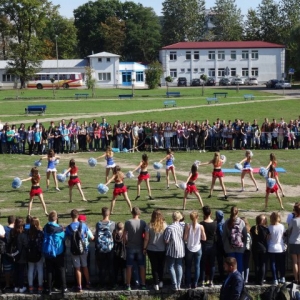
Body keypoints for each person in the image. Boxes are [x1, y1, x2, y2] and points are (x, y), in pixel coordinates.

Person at [65, 209, 91, 292]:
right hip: (83, 248)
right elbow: (86, 235)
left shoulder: (68, 227)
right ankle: (88, 283)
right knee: (85, 266)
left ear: (71, 216)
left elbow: (67, 238)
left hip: (74, 249)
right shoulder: (83, 225)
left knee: (77, 268)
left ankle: (79, 286)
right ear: (78, 216)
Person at [43, 210, 68, 296]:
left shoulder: (45, 227)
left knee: (49, 270)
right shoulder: (60, 229)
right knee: (61, 270)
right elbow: (64, 237)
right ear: (56, 218)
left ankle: (49, 288)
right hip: (58, 252)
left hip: (48, 252)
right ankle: (63, 287)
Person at [143, 209, 167, 291]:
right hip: (162, 248)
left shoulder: (149, 225)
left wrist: (144, 248)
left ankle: (156, 283)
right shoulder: (164, 225)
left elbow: (146, 238)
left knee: (154, 267)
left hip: (151, 249)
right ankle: (161, 282)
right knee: (161, 266)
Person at [124, 207, 147, 291]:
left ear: (132, 213)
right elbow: (145, 235)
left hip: (130, 246)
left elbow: (124, 235)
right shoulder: (143, 223)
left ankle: (128, 285)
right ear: (139, 213)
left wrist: (126, 242)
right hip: (140, 246)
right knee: (142, 266)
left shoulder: (128, 222)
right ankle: (143, 284)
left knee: (129, 266)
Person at [184, 211, 206, 289]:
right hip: (198, 248)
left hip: (189, 248)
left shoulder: (188, 226)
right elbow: (204, 238)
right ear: (197, 217)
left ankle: (189, 283)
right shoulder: (201, 226)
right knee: (197, 266)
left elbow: (185, 238)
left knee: (188, 267)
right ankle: (195, 283)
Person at [94, 207, 115, 290]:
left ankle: (101, 284)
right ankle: (112, 284)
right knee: (111, 266)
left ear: (102, 214)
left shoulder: (98, 224)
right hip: (110, 247)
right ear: (109, 213)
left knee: (102, 266)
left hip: (100, 248)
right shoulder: (113, 224)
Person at [164, 211, 185, 291]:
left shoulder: (170, 228)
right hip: (181, 249)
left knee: (171, 266)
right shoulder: (182, 227)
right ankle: (179, 284)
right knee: (179, 266)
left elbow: (166, 240)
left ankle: (174, 284)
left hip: (172, 249)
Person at [222, 206, 247, 274]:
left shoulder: (227, 222)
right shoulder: (241, 222)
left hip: (229, 247)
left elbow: (224, 235)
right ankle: (240, 280)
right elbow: (245, 235)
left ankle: (232, 280)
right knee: (239, 264)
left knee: (231, 265)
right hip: (240, 247)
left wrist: (224, 245)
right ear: (237, 212)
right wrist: (244, 245)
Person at [7, 217, 28, 293]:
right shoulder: (23, 233)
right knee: (21, 271)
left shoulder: (12, 232)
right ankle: (21, 286)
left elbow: (9, 241)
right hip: (22, 255)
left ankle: (16, 286)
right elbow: (26, 244)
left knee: (16, 271)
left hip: (14, 255)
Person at [200, 206, 217, 287]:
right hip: (212, 245)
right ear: (210, 213)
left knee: (203, 263)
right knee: (212, 264)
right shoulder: (215, 223)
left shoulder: (202, 224)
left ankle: (203, 281)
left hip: (204, 245)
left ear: (203, 213)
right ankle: (211, 281)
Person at [250, 214, 269, 285]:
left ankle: (257, 279)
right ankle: (262, 280)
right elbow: (267, 239)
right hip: (263, 248)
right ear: (262, 221)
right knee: (263, 265)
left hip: (255, 247)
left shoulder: (253, 228)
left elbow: (252, 236)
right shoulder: (266, 229)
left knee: (257, 265)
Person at [268, 212, 286, 285]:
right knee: (281, 263)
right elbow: (284, 235)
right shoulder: (282, 226)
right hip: (280, 247)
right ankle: (282, 277)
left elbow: (268, 237)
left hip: (271, 247)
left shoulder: (269, 227)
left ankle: (275, 278)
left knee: (273, 264)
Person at [27, 217, 44, 294]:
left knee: (30, 269)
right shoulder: (40, 232)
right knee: (40, 269)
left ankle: (30, 286)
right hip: (38, 252)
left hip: (30, 253)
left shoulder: (28, 232)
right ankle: (40, 286)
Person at [287, 203, 300, 284]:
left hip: (293, 241)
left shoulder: (293, 220)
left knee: (294, 262)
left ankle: (296, 279)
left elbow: (288, 229)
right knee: (299, 261)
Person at [2, 215, 15, 292]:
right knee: (14, 268)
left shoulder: (4, 229)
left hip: (6, 251)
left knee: (7, 269)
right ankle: (14, 283)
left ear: (8, 221)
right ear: (14, 222)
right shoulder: (16, 230)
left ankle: (7, 284)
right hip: (15, 253)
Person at [215, 210, 225, 283]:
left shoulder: (218, 224)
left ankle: (222, 277)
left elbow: (221, 234)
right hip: (226, 245)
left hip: (219, 245)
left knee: (220, 262)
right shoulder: (225, 222)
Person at [240, 217, 251, 284]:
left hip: (242, 249)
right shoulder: (248, 231)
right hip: (248, 249)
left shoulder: (241, 230)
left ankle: (242, 278)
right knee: (246, 265)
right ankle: (246, 279)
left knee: (241, 264)